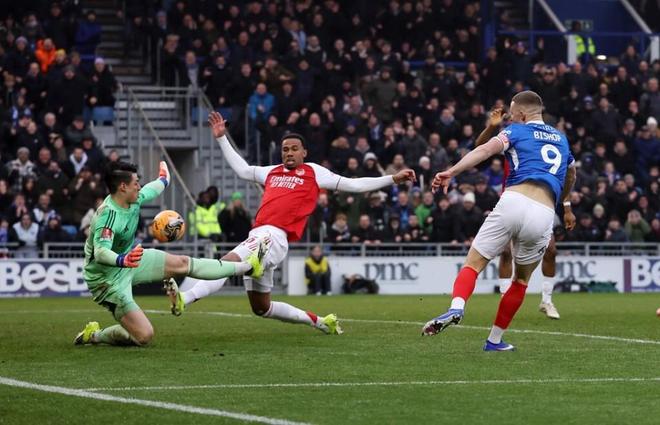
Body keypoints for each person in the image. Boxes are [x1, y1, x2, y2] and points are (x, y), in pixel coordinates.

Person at [171, 112, 416, 334]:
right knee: (261, 308)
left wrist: (392, 179)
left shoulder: (313, 172)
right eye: (285, 149)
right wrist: (222, 138)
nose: (289, 153)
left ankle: (186, 297)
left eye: (294, 149)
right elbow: (243, 170)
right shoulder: (272, 171)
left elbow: (354, 184)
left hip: (274, 236)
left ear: (304, 153)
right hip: (260, 236)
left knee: (226, 263)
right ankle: (321, 322)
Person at [421, 91, 576, 351]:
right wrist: (566, 202)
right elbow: (571, 173)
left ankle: (457, 307)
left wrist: (451, 171)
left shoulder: (516, 131)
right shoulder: (561, 138)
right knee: (522, 281)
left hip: (513, 200)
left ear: (522, 115)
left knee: (474, 263)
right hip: (544, 211)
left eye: (513, 114)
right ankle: (494, 340)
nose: (511, 118)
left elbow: (483, 150)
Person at [72, 161, 267, 347]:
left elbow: (153, 188)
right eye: (136, 183)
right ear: (123, 187)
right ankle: (95, 335)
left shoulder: (134, 199)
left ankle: (247, 266)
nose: (139, 186)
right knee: (144, 336)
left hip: (130, 260)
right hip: (106, 281)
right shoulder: (108, 214)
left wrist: (164, 179)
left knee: (183, 263)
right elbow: (100, 252)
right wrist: (122, 259)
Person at [472, 106, 576, 320]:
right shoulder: (514, 136)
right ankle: (505, 297)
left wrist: (566, 207)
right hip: (512, 200)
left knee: (551, 250)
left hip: (539, 203)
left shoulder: (548, 142)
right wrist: (491, 128)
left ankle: (547, 300)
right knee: (505, 252)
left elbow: (567, 174)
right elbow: (480, 148)